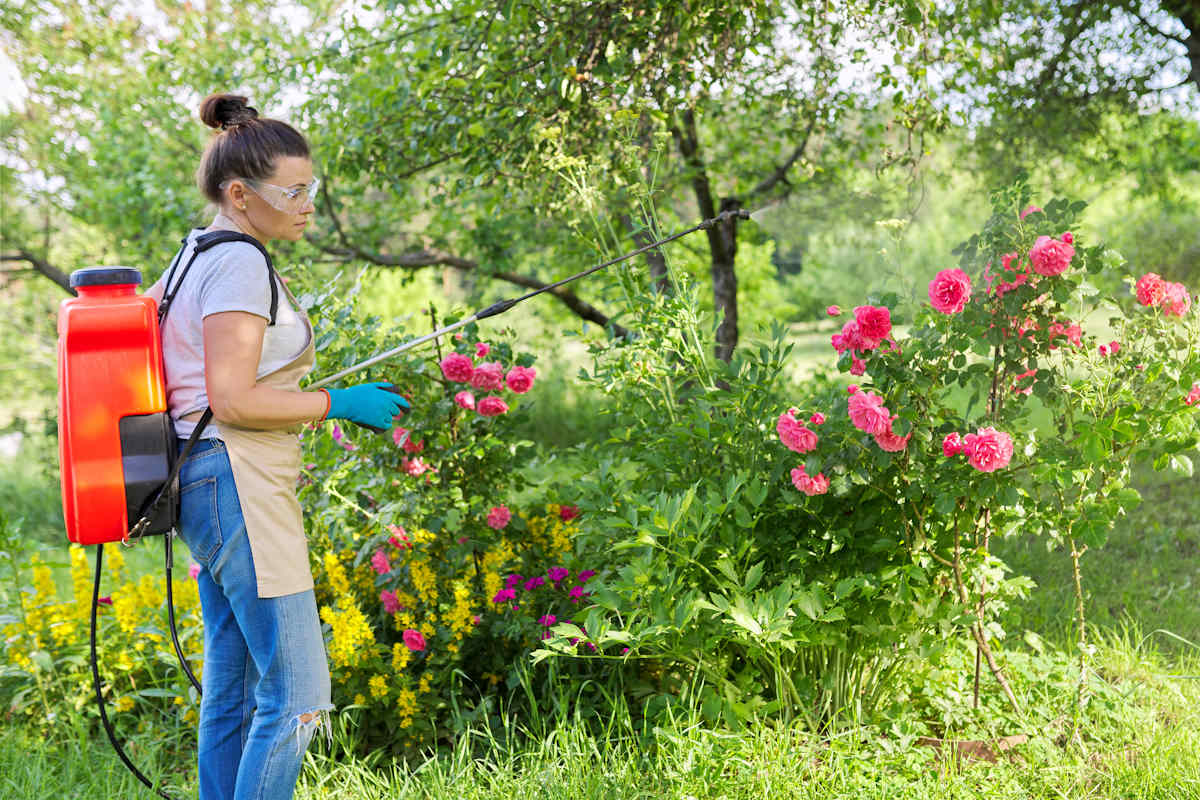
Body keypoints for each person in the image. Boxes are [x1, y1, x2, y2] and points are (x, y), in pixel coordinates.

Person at [147, 92, 408, 800]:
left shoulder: (193, 256)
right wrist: (337, 404)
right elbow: (231, 400)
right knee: (297, 694)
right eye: (292, 191)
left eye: (310, 188)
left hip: (207, 481)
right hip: (237, 482)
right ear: (240, 194)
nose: (306, 204)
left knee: (231, 686)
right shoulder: (236, 263)